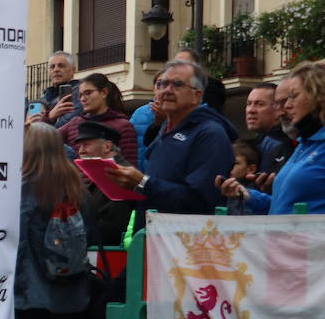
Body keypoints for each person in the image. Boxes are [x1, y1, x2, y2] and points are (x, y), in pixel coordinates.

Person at [14, 123, 92, 319]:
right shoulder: (75, 185)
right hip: (72, 284)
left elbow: (18, 237)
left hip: (33, 286)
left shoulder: (27, 186)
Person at [107, 60, 235, 219]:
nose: (167, 90)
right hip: (151, 235)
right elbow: (154, 192)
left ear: (197, 96)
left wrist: (143, 183)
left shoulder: (210, 134)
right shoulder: (165, 130)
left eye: (178, 84)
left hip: (184, 238)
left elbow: (200, 201)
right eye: (162, 84)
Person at [217, 62, 325, 215]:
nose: (286, 107)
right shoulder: (304, 145)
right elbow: (280, 209)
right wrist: (247, 195)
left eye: (293, 97)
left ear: (318, 96)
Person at [73, 120, 135, 247]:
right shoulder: (107, 175)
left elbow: (111, 230)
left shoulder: (120, 178)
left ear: (107, 146)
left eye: (86, 145)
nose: (81, 151)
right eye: (80, 146)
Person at [59, 73, 138, 163]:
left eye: (88, 93)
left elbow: (130, 167)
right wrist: (50, 116)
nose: (83, 99)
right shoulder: (75, 123)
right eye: (80, 95)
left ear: (104, 92)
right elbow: (44, 139)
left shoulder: (123, 126)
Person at [243, 82, 293, 178]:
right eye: (249, 104)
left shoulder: (281, 144)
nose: (251, 110)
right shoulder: (263, 140)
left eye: (259, 104)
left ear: (278, 109)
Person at [40, 51, 81, 127]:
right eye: (52, 67)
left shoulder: (80, 92)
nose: (56, 70)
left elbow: (67, 124)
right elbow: (32, 128)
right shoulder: (43, 98)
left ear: (73, 70)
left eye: (61, 66)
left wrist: (48, 117)